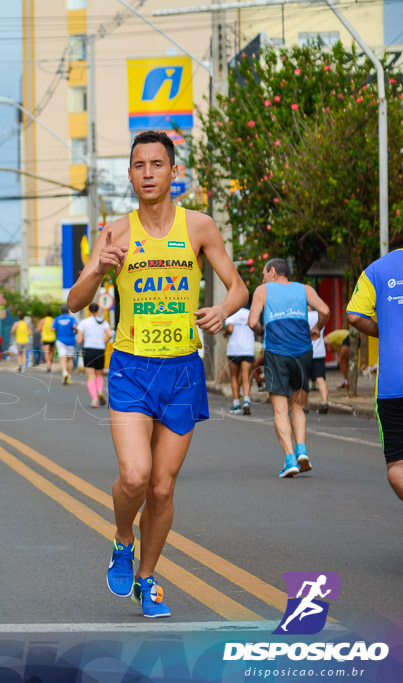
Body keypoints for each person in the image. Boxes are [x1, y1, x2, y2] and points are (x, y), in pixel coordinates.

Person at [67, 131, 247, 618]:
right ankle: (123, 539)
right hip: (130, 366)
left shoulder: (201, 227)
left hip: (183, 369)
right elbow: (74, 302)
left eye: (157, 164)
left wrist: (223, 311)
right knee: (135, 476)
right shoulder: (114, 234)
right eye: (139, 165)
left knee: (163, 488)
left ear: (173, 173)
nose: (148, 173)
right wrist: (98, 270)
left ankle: (147, 578)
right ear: (129, 174)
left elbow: (238, 287)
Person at [346, 193, 403, 560]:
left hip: (397, 385)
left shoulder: (379, 269)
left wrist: (387, 329)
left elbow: (354, 316)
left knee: (402, 463)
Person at [249, 258, 329, 478]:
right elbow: (325, 310)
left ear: (273, 271)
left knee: (279, 409)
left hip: (277, 353)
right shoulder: (305, 289)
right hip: (303, 352)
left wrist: (262, 330)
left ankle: (290, 459)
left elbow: (252, 321)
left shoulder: (263, 290)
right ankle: (302, 449)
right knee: (297, 405)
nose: (263, 278)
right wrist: (317, 328)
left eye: (265, 274)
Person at [76, 302, 112, 408]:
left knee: (90, 377)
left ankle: (94, 399)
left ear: (88, 311)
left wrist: (84, 340)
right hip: (100, 350)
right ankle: (100, 391)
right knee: (99, 375)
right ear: (98, 311)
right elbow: (110, 335)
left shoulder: (83, 323)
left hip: (89, 350)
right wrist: (104, 341)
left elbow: (78, 340)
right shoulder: (104, 322)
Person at [224, 306, 255, 415]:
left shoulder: (231, 313)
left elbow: (230, 328)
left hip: (234, 349)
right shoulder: (249, 313)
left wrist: (226, 333)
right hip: (248, 349)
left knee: (234, 376)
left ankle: (236, 403)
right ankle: (246, 400)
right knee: (246, 376)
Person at [303, 306, 330, 414]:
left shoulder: (303, 317)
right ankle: (325, 401)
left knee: (305, 380)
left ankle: (304, 405)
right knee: (320, 378)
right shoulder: (320, 317)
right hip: (319, 351)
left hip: (306, 351)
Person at [52, 305, 78, 384]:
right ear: (68, 311)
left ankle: (64, 373)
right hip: (71, 340)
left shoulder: (57, 318)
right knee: (70, 359)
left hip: (60, 340)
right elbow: (74, 326)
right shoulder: (71, 318)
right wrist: (75, 331)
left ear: (61, 311)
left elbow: (53, 328)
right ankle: (69, 376)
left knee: (63, 358)